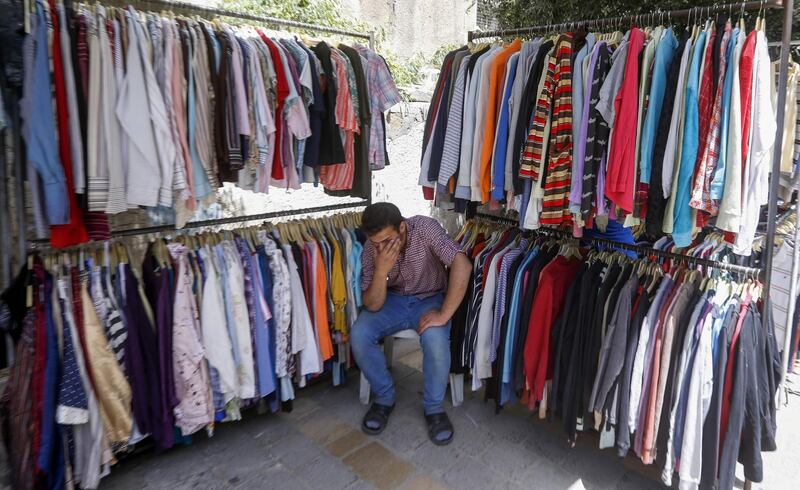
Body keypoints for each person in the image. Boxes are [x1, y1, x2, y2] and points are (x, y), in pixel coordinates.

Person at [351, 202, 471, 446]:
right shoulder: (371, 249)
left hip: (430, 298)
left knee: (435, 339)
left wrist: (444, 314)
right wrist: (381, 269)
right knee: (359, 334)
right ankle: (384, 397)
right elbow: (373, 305)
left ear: (402, 227)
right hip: (391, 301)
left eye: (387, 240)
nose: (381, 247)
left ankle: (434, 407)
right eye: (376, 243)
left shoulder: (424, 228)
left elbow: (463, 264)